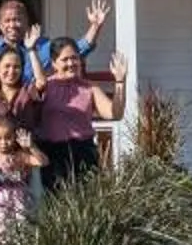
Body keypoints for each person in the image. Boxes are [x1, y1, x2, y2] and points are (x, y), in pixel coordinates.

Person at [0, 0, 107, 118]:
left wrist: (95, 26)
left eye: (17, 20)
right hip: (1, 125)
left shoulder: (43, 47)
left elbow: (77, 51)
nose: (12, 25)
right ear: (0, 24)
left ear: (26, 21)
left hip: (37, 121)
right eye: (7, 20)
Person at [34, 40, 126, 189]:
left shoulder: (89, 87)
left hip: (83, 152)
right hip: (52, 155)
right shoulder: (45, 87)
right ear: (54, 63)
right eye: (65, 59)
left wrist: (120, 81)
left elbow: (115, 113)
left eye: (74, 58)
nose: (71, 63)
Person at [0, 118, 45, 245]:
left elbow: (42, 162)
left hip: (17, 202)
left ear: (14, 138)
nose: (4, 142)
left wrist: (31, 147)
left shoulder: (19, 156)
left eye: (8, 138)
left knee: (18, 234)